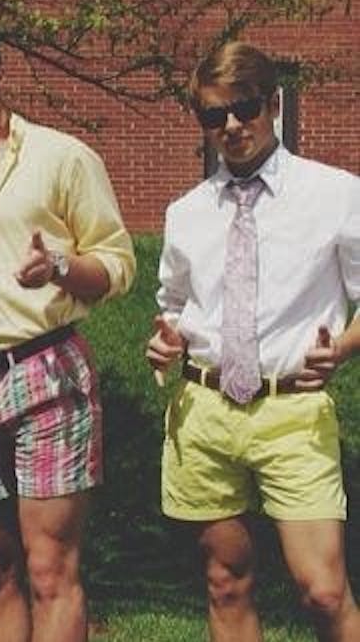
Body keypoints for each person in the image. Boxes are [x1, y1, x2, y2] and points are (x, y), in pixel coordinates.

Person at [0, 19, 135, 641]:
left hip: (45, 372)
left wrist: (60, 267)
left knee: (49, 568)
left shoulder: (61, 158)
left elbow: (118, 265)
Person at [146, 41, 359, 641]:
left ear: (273, 104)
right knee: (225, 582)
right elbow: (174, 308)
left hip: (292, 410)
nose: (232, 126)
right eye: (215, 115)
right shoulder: (186, 213)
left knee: (323, 590)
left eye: (245, 109)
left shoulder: (336, 194)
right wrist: (164, 341)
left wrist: (342, 347)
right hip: (204, 411)